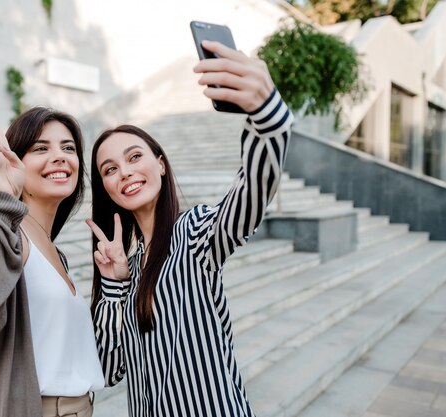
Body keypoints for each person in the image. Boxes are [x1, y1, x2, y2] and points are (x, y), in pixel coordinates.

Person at [85, 40, 293, 417]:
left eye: (134, 157)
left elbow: (250, 195)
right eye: (110, 169)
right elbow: (107, 370)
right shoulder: (125, 269)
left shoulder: (194, 233)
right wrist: (114, 285)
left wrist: (267, 117)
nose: (125, 171)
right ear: (108, 190)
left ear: (160, 165)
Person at [0, 107, 105, 417]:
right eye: (40, 148)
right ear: (14, 160)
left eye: (68, 148)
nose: (59, 156)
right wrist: (2, 196)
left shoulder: (55, 252)